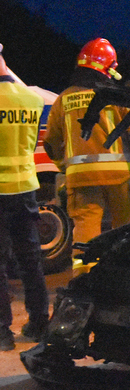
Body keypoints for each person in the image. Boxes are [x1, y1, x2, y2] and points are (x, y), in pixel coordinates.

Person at [45, 38, 130, 274]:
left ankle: (84, 282)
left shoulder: (63, 99)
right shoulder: (118, 96)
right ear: (107, 67)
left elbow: (51, 144)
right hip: (118, 178)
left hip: (81, 180)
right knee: (126, 229)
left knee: (85, 233)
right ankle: (129, 275)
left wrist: (64, 167)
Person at [0, 45, 49, 350]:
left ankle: (3, 334)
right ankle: (40, 322)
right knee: (30, 259)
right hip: (25, 190)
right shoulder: (32, 99)